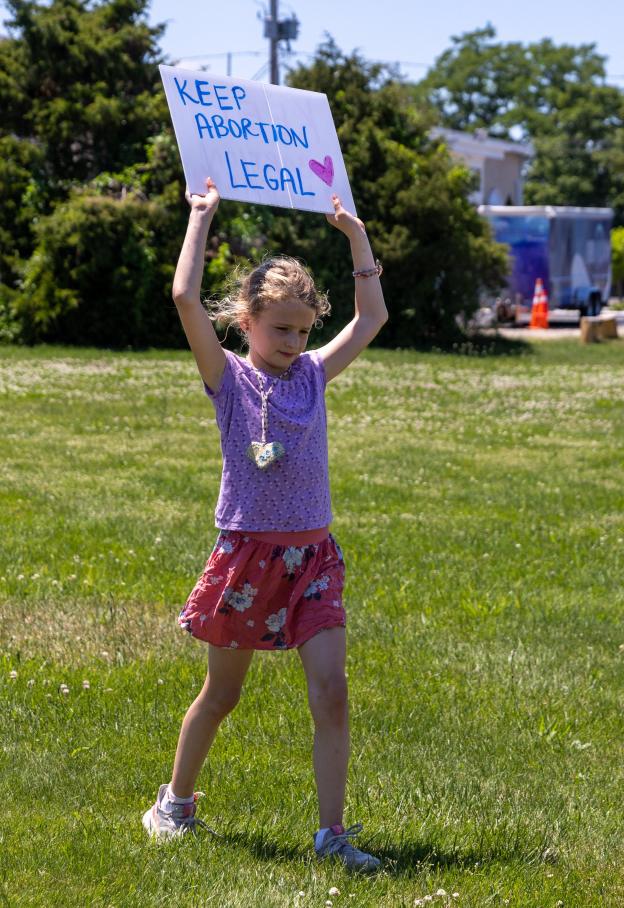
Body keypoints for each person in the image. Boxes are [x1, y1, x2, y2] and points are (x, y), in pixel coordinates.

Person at [141, 177, 387, 874]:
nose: (293, 341)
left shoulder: (313, 374)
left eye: (302, 330)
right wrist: (200, 217)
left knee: (331, 693)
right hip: (248, 560)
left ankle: (332, 834)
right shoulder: (228, 381)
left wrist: (356, 236)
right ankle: (174, 804)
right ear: (245, 320)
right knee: (224, 693)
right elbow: (185, 297)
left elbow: (370, 320)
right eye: (280, 328)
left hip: (313, 558)